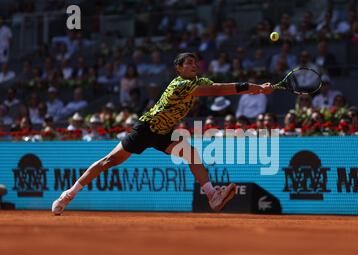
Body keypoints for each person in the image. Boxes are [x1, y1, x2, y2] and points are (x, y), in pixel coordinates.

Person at [52, 52, 273, 215]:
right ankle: (67, 196)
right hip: (147, 128)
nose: (194, 65)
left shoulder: (197, 81)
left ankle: (213, 197)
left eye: (195, 62)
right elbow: (216, 90)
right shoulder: (179, 85)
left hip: (164, 132)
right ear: (179, 68)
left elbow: (217, 85)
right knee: (109, 161)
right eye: (189, 63)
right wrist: (253, 87)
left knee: (192, 154)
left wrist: (257, 87)